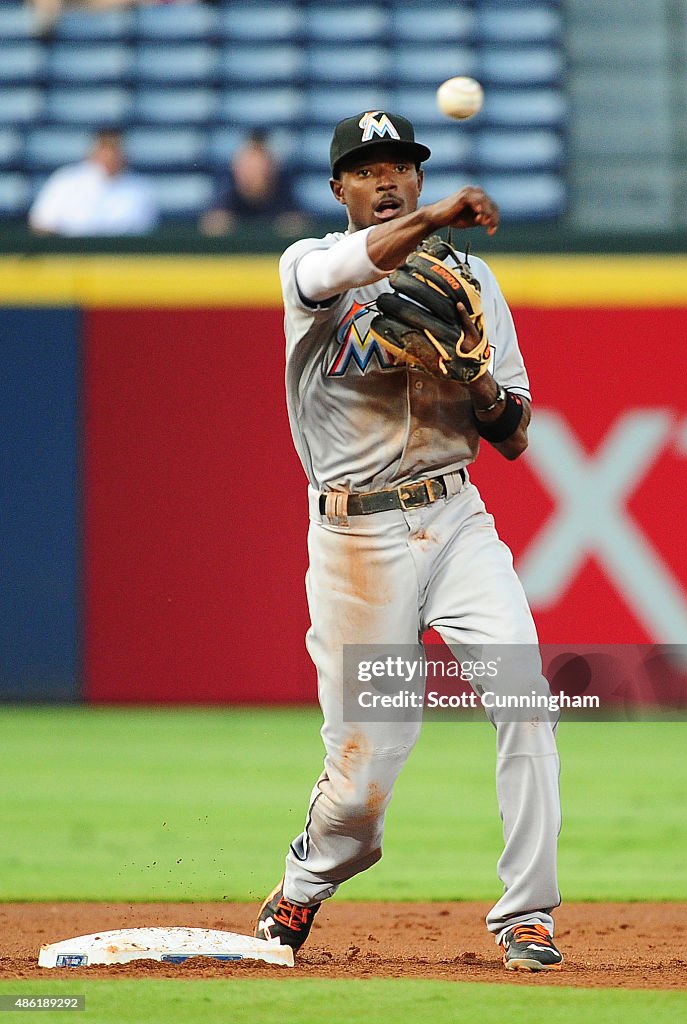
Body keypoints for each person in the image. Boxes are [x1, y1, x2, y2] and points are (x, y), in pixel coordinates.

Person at [254, 111, 563, 972]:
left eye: (400, 167)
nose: (385, 179)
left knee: (524, 694)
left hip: (457, 519)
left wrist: (476, 380)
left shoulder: (473, 281)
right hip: (359, 543)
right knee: (359, 789)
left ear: (417, 177)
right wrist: (428, 225)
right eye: (365, 168)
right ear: (338, 188)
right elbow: (342, 267)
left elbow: (512, 432)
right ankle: (304, 882)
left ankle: (526, 915)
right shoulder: (308, 268)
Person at [28, 129, 159, 236]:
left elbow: (147, 230)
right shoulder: (66, 180)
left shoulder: (140, 188)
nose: (110, 156)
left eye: (115, 149)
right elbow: (41, 222)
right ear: (93, 151)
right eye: (105, 148)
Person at [199, 132, 305, 237]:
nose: (254, 173)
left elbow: (297, 223)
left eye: (260, 168)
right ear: (237, 169)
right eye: (249, 167)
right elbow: (213, 223)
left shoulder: (282, 189)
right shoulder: (227, 188)